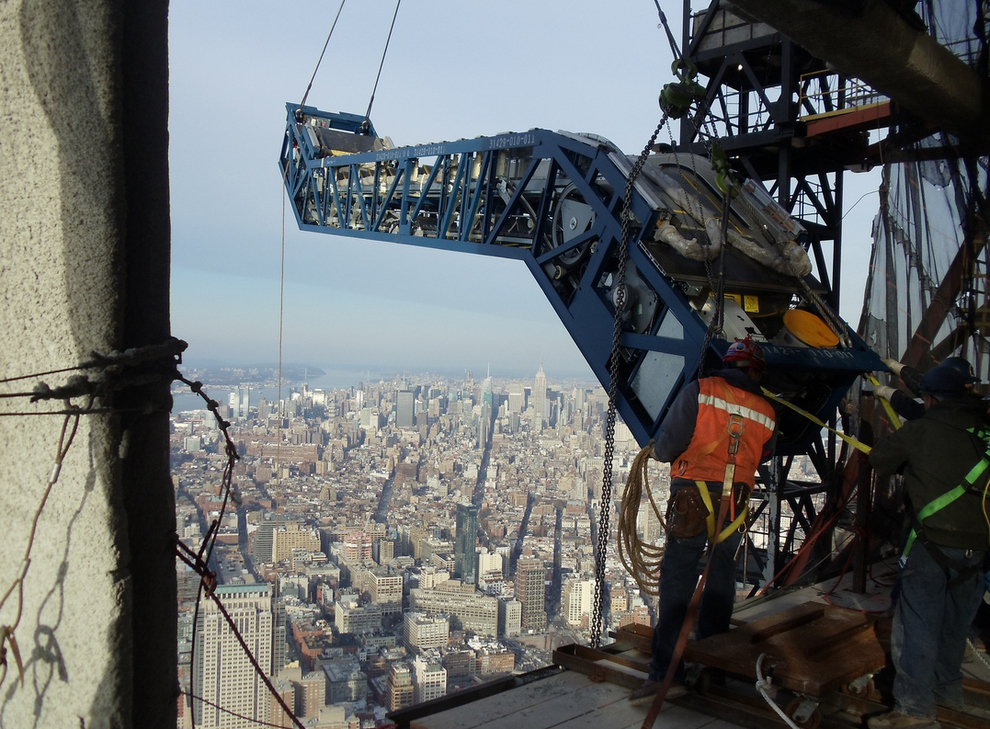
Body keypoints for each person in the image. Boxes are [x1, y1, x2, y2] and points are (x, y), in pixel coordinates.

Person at [630, 338, 776, 703]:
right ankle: (715, 669)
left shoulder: (701, 392)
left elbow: (668, 447)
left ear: (727, 364)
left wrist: (660, 450)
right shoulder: (768, 411)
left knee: (677, 584)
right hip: (734, 507)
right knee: (720, 582)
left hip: (692, 501)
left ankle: (667, 674)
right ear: (756, 372)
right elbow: (766, 453)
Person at [868, 363, 990, 729]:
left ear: (931, 399)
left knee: (917, 625)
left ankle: (915, 710)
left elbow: (880, 459)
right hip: (978, 547)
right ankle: (947, 693)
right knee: (955, 625)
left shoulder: (923, 430)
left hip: (932, 544)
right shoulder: (985, 432)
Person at [876, 356, 978, 421]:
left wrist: (888, 393)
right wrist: (897, 367)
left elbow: (913, 411)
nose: (969, 387)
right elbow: (922, 384)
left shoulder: (952, 414)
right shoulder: (974, 404)